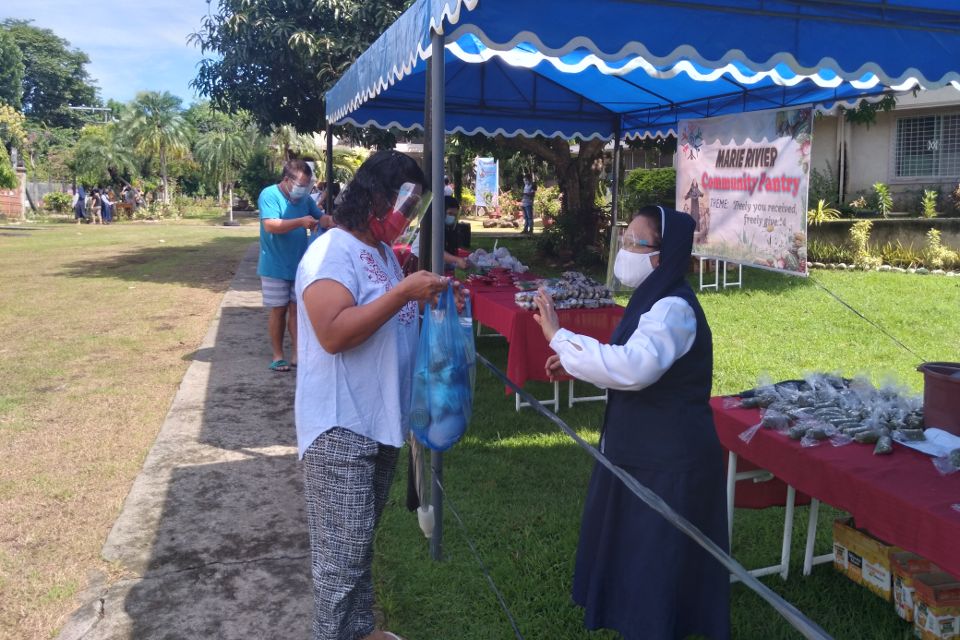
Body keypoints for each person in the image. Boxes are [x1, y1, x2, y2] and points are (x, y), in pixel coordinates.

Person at [532, 205, 730, 640]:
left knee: (656, 556)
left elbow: (635, 369)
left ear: (661, 256)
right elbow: (625, 356)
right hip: (641, 450)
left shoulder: (674, 309)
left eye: (633, 243)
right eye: (623, 241)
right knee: (636, 551)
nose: (624, 250)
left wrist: (560, 337)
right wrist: (573, 361)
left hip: (668, 459)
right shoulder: (652, 300)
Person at [295, 149, 452, 640]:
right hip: (340, 426)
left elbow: (389, 322)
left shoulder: (380, 252)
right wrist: (403, 293)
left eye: (415, 210)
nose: (407, 220)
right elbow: (334, 333)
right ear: (374, 197)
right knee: (339, 564)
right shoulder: (330, 251)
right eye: (404, 207)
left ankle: (361, 631)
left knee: (358, 545)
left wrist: (427, 297)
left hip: (377, 422)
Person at [257, 159, 334, 372]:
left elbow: (321, 219)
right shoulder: (269, 195)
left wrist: (335, 222)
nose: (303, 189)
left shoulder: (305, 200)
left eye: (307, 185)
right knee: (279, 310)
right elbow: (271, 225)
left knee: (297, 310)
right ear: (286, 180)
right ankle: (278, 354)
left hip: (299, 265)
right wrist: (300, 222)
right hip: (274, 265)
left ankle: (297, 354)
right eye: (301, 185)